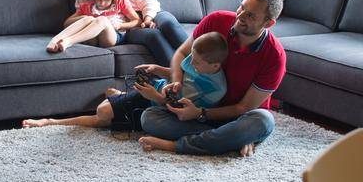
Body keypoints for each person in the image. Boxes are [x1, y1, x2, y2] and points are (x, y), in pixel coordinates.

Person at [137, 0, 286, 157]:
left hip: (236, 116)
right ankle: (230, 138)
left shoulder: (275, 57)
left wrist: (201, 114)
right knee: (150, 118)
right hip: (198, 107)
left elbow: (243, 107)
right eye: (242, 7)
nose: (240, 15)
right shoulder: (216, 21)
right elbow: (182, 53)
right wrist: (177, 81)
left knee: (264, 121)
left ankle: (176, 146)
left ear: (268, 23)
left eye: (250, 15)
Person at [21, 32, 229, 130]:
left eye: (197, 62)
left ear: (215, 66)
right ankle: (120, 97)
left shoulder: (215, 90)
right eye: (190, 57)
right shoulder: (196, 60)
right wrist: (158, 69)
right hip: (154, 93)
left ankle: (49, 122)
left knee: (102, 115)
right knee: (105, 114)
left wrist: (155, 97)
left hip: (161, 107)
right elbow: (181, 76)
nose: (190, 63)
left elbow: (183, 113)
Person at [47, 0, 139, 52]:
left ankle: (69, 41)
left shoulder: (119, 2)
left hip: (112, 36)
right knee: (88, 19)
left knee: (102, 20)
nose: (102, 3)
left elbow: (137, 21)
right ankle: (55, 40)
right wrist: (85, 18)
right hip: (91, 38)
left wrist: (120, 25)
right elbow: (66, 23)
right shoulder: (88, 6)